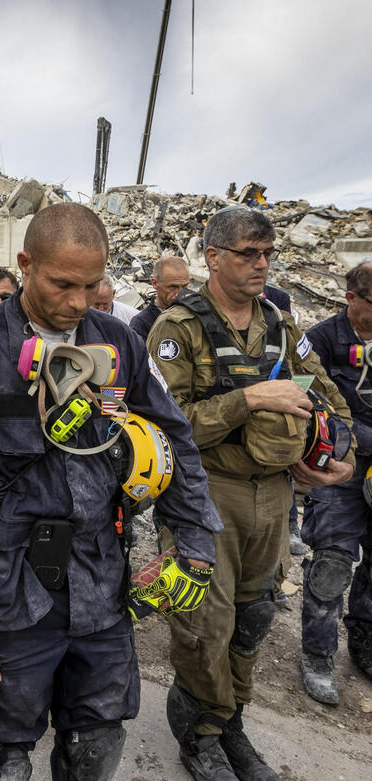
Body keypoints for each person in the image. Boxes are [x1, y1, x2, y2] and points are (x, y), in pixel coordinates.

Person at [0, 203, 220, 781]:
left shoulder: (118, 342)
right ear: (25, 265)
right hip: (8, 599)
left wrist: (194, 539)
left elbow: (173, 436)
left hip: (101, 591)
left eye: (91, 284)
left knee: (96, 741)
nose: (79, 302)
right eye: (62, 283)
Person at [147, 205, 354, 781]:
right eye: (248, 253)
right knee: (200, 625)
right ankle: (199, 733)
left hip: (275, 499)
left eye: (267, 254)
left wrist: (340, 458)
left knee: (254, 617)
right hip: (205, 496)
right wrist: (252, 400)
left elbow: (327, 397)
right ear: (212, 257)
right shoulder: (177, 330)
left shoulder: (282, 327)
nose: (262, 264)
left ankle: (230, 721)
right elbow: (167, 424)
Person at [296, 260, 372, 706]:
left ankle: (364, 640)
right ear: (352, 299)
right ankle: (317, 654)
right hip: (340, 465)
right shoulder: (321, 340)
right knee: (331, 563)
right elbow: (307, 401)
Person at [130, 255, 190, 341]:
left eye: (185, 287)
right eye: (172, 287)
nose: (180, 293)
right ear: (154, 283)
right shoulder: (142, 323)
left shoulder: (194, 314)